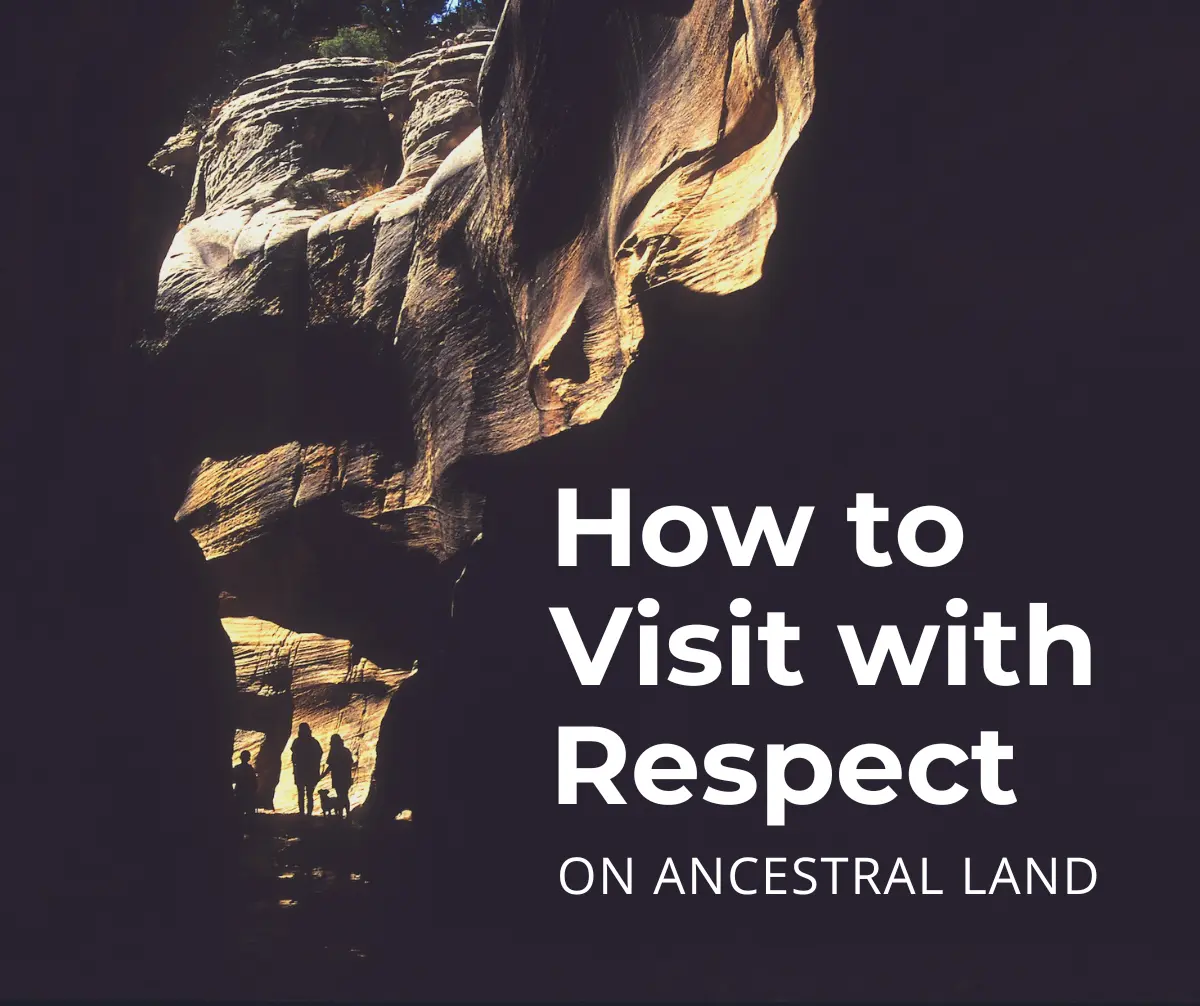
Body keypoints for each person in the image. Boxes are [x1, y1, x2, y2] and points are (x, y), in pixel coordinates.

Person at [290, 723, 323, 816]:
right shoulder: (313, 742)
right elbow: (319, 754)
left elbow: (294, 756)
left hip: (303, 771)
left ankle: (304, 814)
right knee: (308, 794)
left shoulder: (298, 742)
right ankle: (307, 814)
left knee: (303, 794)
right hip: (307, 771)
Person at [322, 733, 355, 820]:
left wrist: (322, 775)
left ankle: (341, 814)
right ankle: (347, 814)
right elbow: (350, 763)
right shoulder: (346, 751)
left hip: (338, 778)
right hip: (346, 777)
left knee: (340, 796)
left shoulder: (333, 752)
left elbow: (330, 766)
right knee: (344, 796)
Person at [232, 750, 258, 817]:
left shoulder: (237, 768)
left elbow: (233, 780)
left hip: (240, 793)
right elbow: (254, 783)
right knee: (250, 814)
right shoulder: (250, 769)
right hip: (248, 794)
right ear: (248, 759)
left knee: (239, 814)